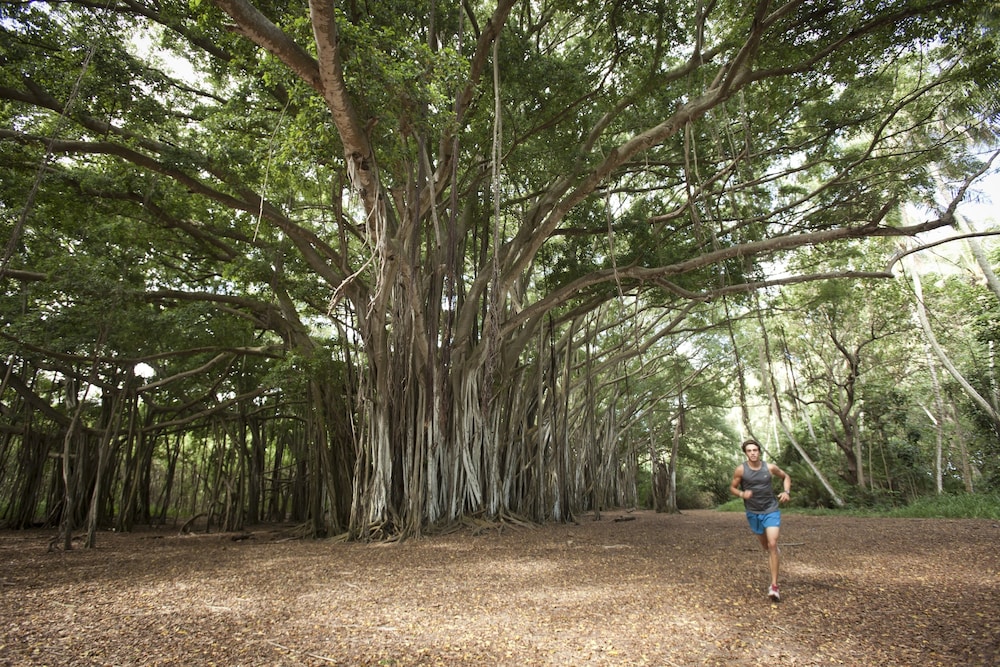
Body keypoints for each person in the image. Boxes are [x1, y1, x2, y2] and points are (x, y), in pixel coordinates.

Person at [730, 438, 791, 601]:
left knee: (772, 543)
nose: (752, 453)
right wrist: (742, 494)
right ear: (746, 453)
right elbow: (732, 488)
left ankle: (774, 586)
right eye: (749, 451)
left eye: (755, 450)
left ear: (759, 451)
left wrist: (787, 492)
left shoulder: (769, 467)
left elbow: (786, 477)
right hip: (753, 512)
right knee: (766, 546)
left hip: (771, 509)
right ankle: (774, 553)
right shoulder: (741, 470)